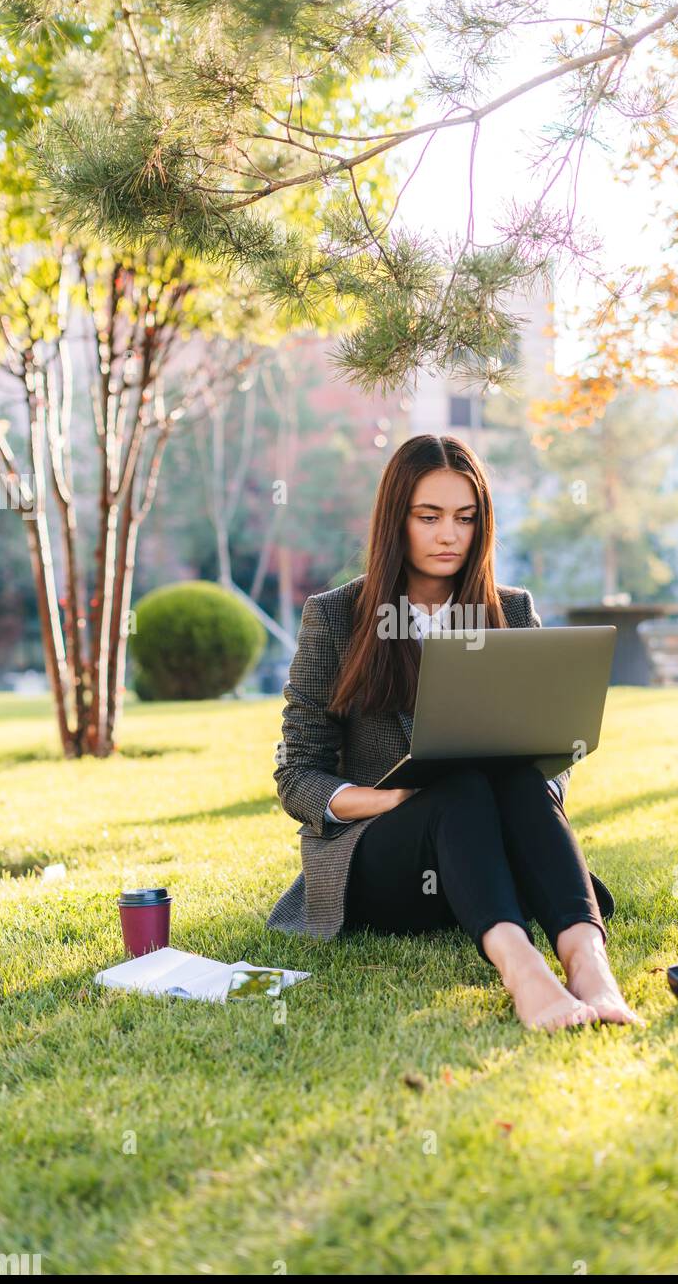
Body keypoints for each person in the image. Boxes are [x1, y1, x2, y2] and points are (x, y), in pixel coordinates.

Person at [267, 433, 645, 1031]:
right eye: (429, 517)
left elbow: (554, 755)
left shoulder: (512, 611)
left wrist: (533, 779)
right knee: (459, 785)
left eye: (466, 518)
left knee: (516, 773)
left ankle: (589, 967)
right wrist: (385, 798)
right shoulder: (335, 615)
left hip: (483, 852)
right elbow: (296, 773)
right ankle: (526, 975)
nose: (449, 535)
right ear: (397, 520)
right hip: (387, 859)